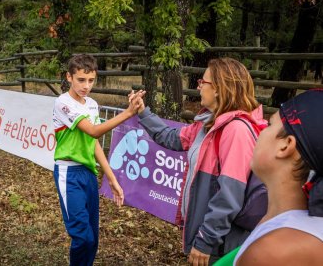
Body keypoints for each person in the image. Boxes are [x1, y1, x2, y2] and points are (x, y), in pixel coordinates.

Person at [132, 58, 267, 265]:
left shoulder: (236, 131)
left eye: (203, 82)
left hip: (222, 246)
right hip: (210, 239)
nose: (199, 87)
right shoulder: (207, 124)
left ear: (219, 89)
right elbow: (170, 137)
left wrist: (206, 241)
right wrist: (143, 112)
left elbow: (229, 196)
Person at [52, 54, 144, 266]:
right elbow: (93, 131)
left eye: (91, 80)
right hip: (69, 173)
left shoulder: (92, 104)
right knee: (82, 236)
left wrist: (111, 179)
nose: (86, 86)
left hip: (89, 174)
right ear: (69, 77)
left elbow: (93, 144)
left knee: (93, 239)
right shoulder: (63, 103)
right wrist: (128, 113)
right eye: (81, 80)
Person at [230, 89, 323, 265]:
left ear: (285, 145)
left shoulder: (272, 253)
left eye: (269, 125)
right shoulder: (295, 227)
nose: (261, 130)